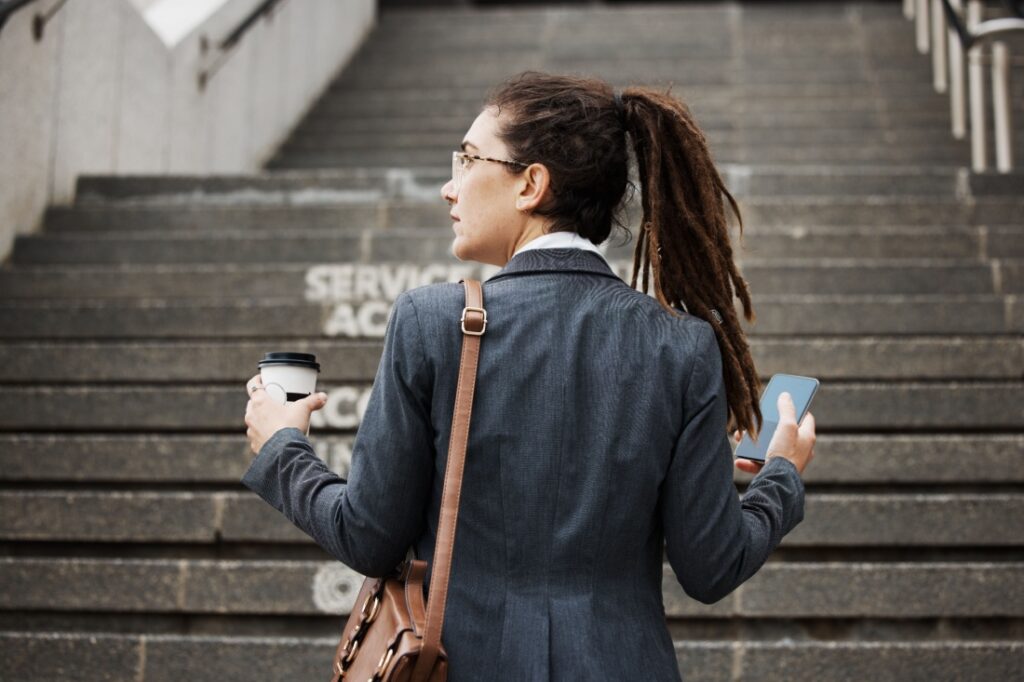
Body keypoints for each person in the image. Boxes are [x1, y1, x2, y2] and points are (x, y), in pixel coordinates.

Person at [242, 71, 815, 681]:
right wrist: (779, 474)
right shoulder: (682, 347)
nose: (448, 186)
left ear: (531, 184)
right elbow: (711, 568)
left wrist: (282, 447)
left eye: (467, 159)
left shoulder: (429, 321)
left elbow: (367, 537)